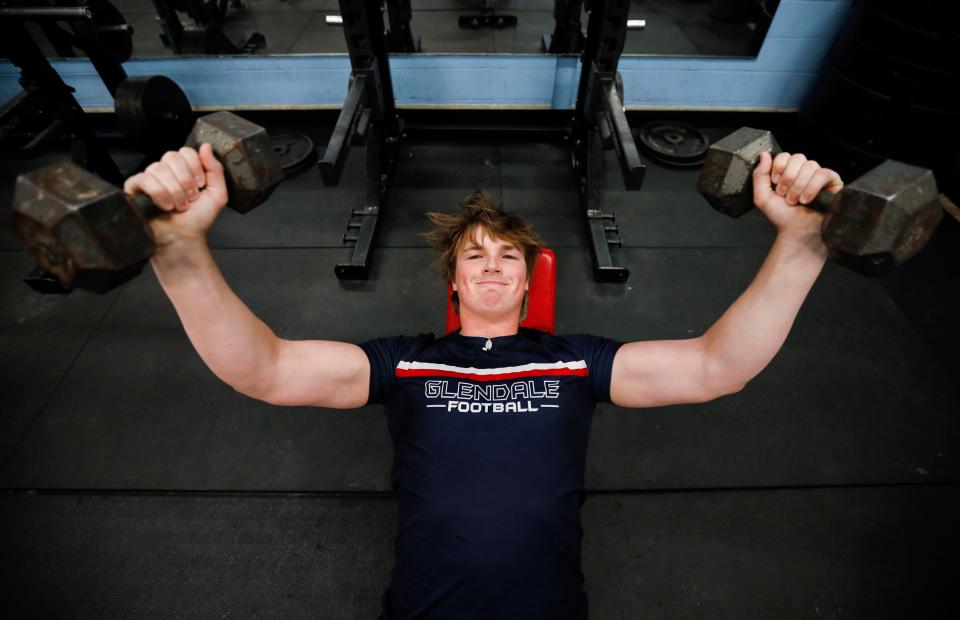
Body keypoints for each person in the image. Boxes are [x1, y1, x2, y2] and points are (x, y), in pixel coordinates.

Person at [124, 143, 843, 619]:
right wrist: (178, 249)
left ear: (528, 281)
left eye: (507, 256)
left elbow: (719, 366)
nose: (493, 263)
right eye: (475, 256)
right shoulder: (405, 362)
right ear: (455, 282)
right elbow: (268, 370)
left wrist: (803, 241)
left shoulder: (574, 360)